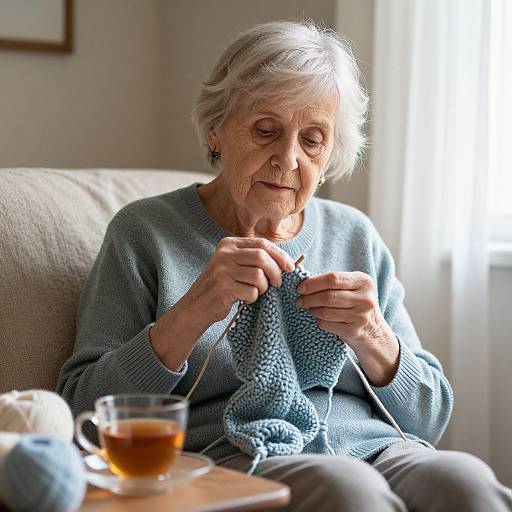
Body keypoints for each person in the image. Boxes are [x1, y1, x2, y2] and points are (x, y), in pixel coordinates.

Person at [57, 20, 512, 511]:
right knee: (349, 489)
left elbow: (430, 415)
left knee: (466, 479)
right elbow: (84, 405)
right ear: (216, 128)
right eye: (266, 130)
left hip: (375, 446)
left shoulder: (354, 234)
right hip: (239, 450)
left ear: (331, 150)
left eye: (313, 139)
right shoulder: (144, 232)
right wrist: (191, 312)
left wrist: (373, 335)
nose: (288, 158)